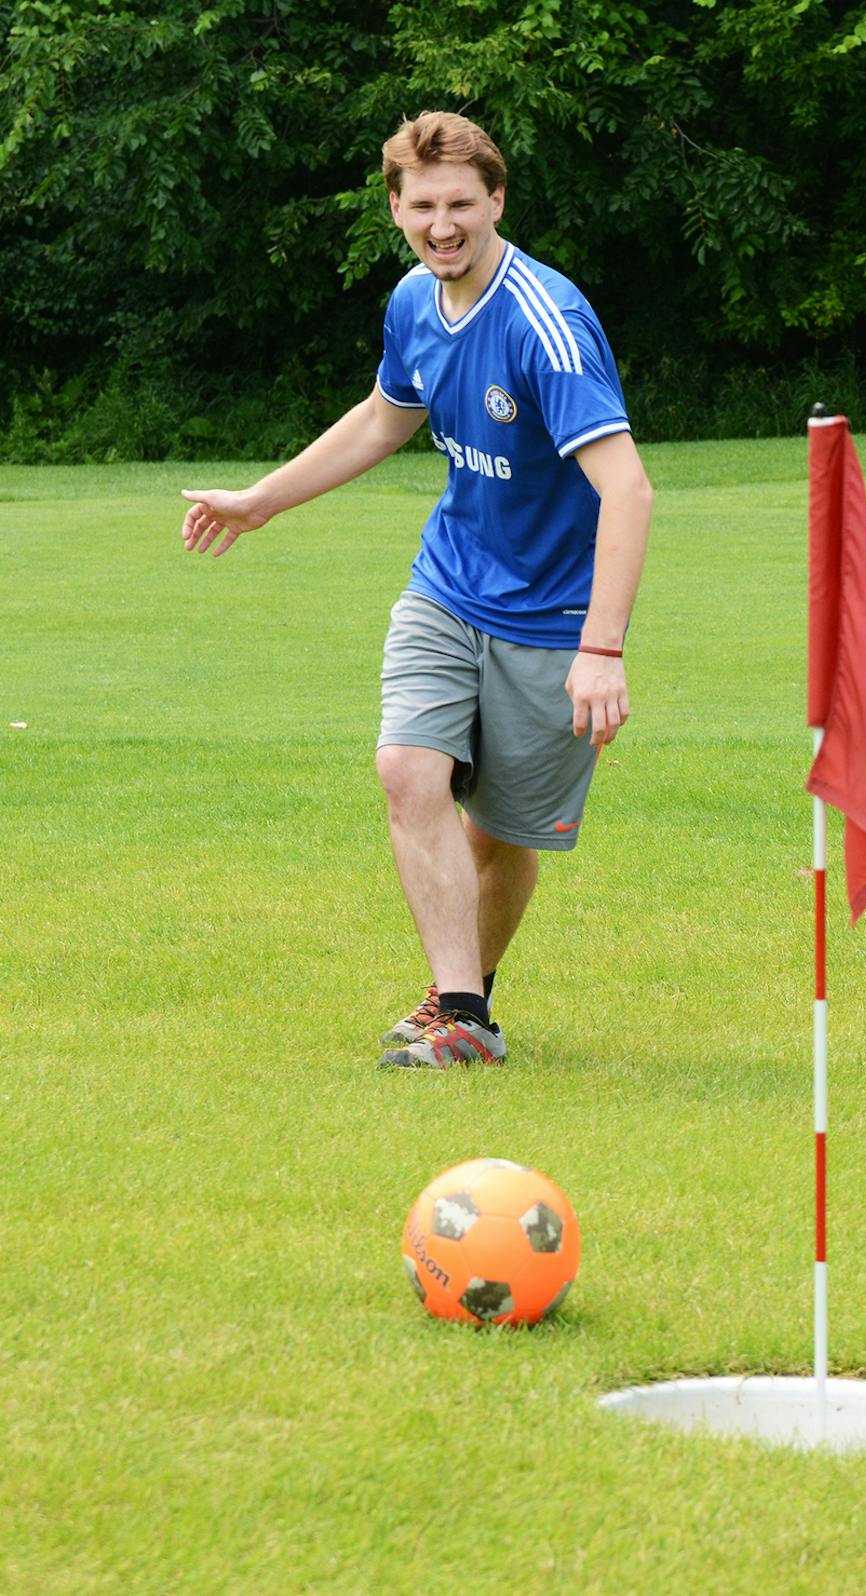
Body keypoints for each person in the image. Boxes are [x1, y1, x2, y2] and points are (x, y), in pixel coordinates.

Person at [179, 112, 654, 1067]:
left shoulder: (545, 324)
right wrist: (263, 501)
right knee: (407, 772)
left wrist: (600, 650)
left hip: (551, 619)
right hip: (447, 585)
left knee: (501, 836)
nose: (444, 225)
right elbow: (383, 419)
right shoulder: (412, 301)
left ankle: (463, 1005)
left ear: (497, 202)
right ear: (396, 208)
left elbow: (629, 488)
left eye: (462, 205)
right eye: (424, 206)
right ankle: (463, 1013)